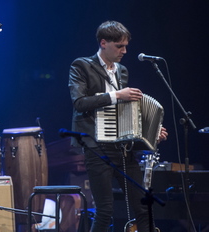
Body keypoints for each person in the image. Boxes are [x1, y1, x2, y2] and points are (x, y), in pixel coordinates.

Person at [68, 21, 168, 232]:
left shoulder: (122, 71)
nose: (125, 51)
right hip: (96, 147)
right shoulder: (82, 65)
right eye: (119, 46)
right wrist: (116, 95)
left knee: (143, 207)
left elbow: (126, 113)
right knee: (105, 210)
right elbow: (79, 103)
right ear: (103, 43)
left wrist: (150, 131)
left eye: (125, 46)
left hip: (122, 147)